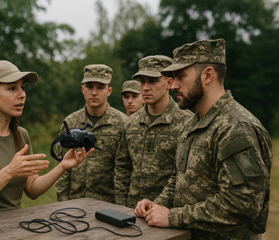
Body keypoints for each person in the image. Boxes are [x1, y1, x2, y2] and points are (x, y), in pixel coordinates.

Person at [134, 39, 272, 240]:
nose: (174, 85)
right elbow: (179, 178)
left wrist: (173, 217)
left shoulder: (235, 127)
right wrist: (158, 205)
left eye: (181, 76)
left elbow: (242, 204)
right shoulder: (193, 123)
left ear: (208, 75)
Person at [0, 60, 93, 219]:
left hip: (9, 226)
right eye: (12, 88)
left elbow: (31, 189)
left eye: (23, 88)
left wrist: (62, 166)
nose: (22, 94)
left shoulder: (21, 134)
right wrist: (9, 172)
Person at [114, 55, 193, 208]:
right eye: (142, 81)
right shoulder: (131, 123)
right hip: (132, 210)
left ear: (169, 83)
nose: (145, 87)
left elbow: (187, 176)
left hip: (167, 214)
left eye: (153, 80)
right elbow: (123, 167)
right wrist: (121, 207)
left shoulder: (187, 122)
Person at [55, 64, 127, 203]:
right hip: (75, 203)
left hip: (108, 204)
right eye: (89, 87)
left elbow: (124, 170)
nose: (94, 92)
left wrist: (120, 207)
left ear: (109, 91)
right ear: (83, 89)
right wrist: (63, 202)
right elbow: (61, 166)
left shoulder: (122, 123)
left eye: (100, 87)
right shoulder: (70, 123)